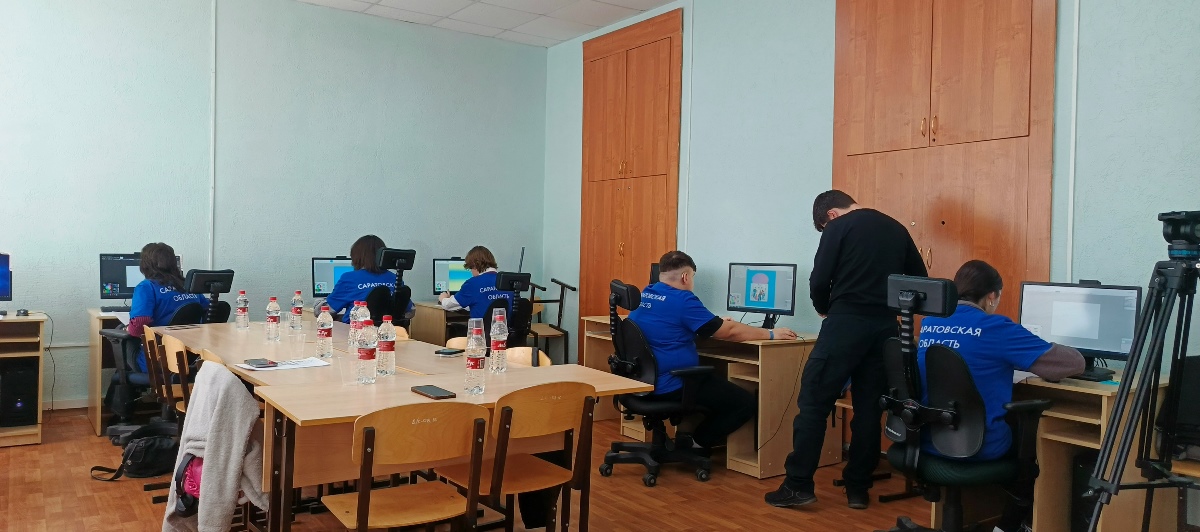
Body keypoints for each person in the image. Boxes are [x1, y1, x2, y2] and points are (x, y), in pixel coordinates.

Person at [766, 190, 927, 510]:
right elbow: (920, 280)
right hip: (886, 330)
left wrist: (825, 309)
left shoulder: (839, 227)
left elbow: (819, 279)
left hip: (845, 324)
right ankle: (858, 488)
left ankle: (798, 485)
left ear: (831, 215)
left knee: (814, 403)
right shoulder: (896, 228)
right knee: (869, 410)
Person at [917, 260, 1084, 532]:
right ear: (991, 296)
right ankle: (1007, 527)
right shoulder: (996, 327)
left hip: (928, 438)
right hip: (978, 447)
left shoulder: (930, 322)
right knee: (1034, 445)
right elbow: (1073, 364)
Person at [628, 251, 799, 451]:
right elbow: (731, 332)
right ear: (685, 277)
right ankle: (696, 443)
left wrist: (713, 322)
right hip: (672, 383)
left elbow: (669, 324)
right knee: (743, 403)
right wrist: (770, 334)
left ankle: (688, 437)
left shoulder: (647, 293)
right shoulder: (683, 300)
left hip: (644, 380)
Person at [127, 243, 209, 372]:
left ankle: (122, 380)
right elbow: (207, 310)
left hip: (159, 362)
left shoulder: (146, 287)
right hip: (191, 359)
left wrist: (127, 329)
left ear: (144, 265)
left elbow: (139, 325)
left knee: (122, 337)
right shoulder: (189, 285)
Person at [324, 235, 414, 323]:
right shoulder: (395, 278)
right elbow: (410, 311)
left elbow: (326, 311)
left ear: (356, 257)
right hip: (389, 330)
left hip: (356, 330)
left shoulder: (349, 278)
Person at [438, 246, 514, 320]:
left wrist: (443, 298)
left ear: (474, 265)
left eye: (470, 268)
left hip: (480, 328)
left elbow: (449, 305)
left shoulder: (472, 283)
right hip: (503, 327)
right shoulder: (507, 281)